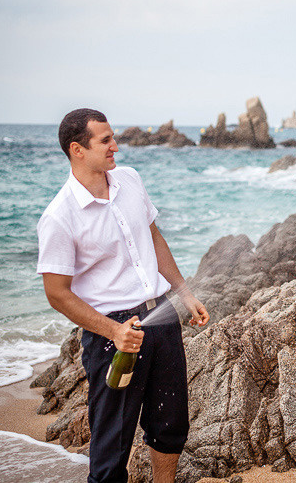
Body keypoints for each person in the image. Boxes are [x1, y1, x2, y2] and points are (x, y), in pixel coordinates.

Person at [37, 108, 209, 483]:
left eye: (113, 137)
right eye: (106, 141)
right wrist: (113, 332)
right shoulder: (59, 216)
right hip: (112, 335)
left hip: (160, 316)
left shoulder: (129, 179)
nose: (116, 146)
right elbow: (56, 293)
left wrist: (184, 293)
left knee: (170, 422)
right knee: (112, 442)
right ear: (77, 150)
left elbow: (154, 237)